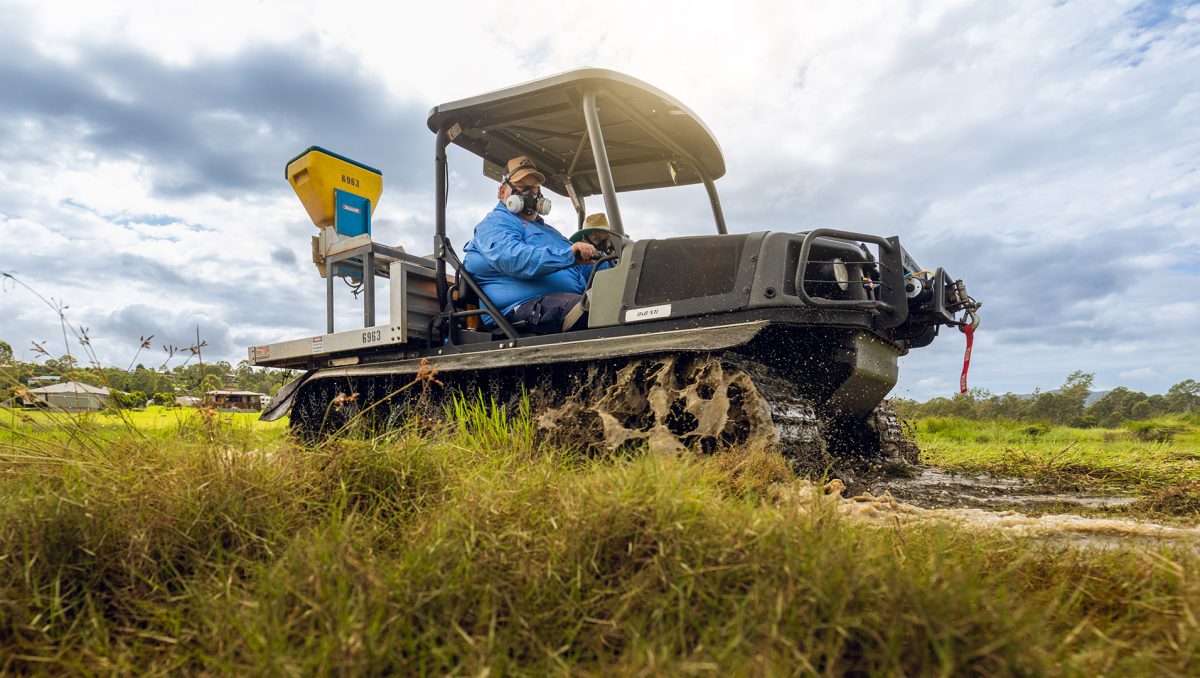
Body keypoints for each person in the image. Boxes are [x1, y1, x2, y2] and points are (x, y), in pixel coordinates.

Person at [462, 156, 600, 334]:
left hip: (566, 302)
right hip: (521, 310)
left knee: (619, 306)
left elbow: (587, 267)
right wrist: (569, 255)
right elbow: (513, 259)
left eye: (534, 188)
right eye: (521, 187)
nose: (530, 195)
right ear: (502, 192)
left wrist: (618, 267)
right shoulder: (494, 224)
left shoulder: (552, 234)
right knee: (594, 311)